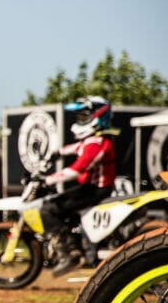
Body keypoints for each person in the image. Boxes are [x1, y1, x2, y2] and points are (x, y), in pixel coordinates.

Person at [41, 96, 117, 275]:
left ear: (97, 117)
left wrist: (48, 180)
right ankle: (75, 245)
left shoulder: (97, 143)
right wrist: (56, 153)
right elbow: (75, 148)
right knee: (60, 207)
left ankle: (69, 253)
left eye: (83, 118)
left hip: (96, 190)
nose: (79, 123)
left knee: (50, 209)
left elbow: (78, 169)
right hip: (91, 189)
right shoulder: (93, 141)